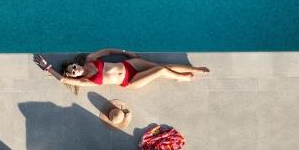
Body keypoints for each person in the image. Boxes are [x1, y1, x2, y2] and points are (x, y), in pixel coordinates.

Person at [33, 48, 208, 91]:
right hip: (129, 80)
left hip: (130, 65)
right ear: (75, 76)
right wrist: (47, 68)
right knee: (161, 70)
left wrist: (126, 53)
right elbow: (63, 80)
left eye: (73, 67)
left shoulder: (90, 60)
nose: (74, 70)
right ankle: (184, 77)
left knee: (165, 67)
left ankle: (194, 69)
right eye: (73, 72)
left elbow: (108, 51)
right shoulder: (86, 81)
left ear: (75, 63)